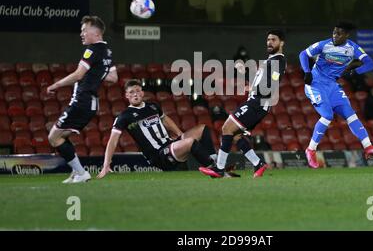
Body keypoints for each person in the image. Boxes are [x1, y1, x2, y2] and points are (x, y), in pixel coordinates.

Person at [97, 80, 238, 178]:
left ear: (142, 92)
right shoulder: (125, 116)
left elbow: (166, 120)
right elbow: (113, 141)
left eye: (138, 91)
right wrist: (106, 165)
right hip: (158, 155)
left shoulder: (152, 106)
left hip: (169, 145)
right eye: (131, 92)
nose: (135, 94)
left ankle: (217, 164)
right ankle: (218, 171)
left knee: (202, 129)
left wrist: (180, 136)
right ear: (126, 95)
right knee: (189, 142)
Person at [199, 30, 286, 178]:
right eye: (268, 39)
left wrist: (253, 88)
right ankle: (258, 164)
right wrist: (245, 72)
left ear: (281, 42)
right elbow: (259, 80)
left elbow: (271, 84)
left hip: (259, 102)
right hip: (256, 101)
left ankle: (219, 169)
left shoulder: (278, 61)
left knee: (227, 128)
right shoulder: (270, 60)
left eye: (273, 39)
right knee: (235, 136)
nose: (269, 42)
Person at [299, 21, 373, 168]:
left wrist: (354, 72)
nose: (335, 36)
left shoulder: (352, 48)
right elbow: (303, 54)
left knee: (350, 114)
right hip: (316, 84)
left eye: (338, 33)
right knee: (327, 115)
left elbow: (370, 63)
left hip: (333, 86)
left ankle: (368, 147)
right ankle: (311, 150)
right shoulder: (324, 45)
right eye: (334, 32)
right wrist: (307, 71)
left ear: (346, 35)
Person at [47, 15, 118, 183]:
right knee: (61, 137)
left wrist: (55, 85)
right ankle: (76, 171)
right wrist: (97, 73)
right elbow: (113, 77)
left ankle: (81, 173)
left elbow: (78, 74)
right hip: (90, 103)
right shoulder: (107, 51)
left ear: (96, 32)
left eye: (84, 30)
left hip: (82, 100)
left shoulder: (92, 50)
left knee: (53, 137)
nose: (82, 34)